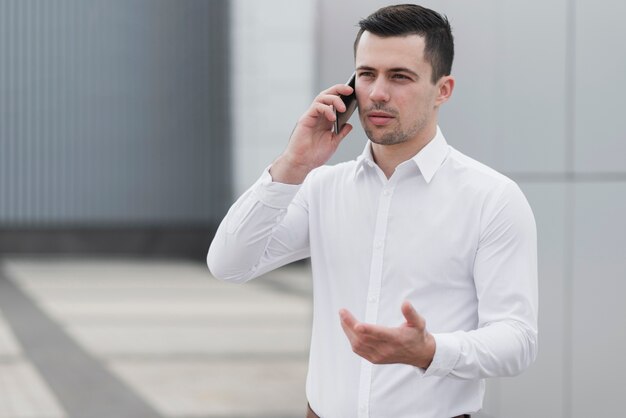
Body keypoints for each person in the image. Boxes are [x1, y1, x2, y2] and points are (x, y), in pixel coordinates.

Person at [207, 4, 538, 418]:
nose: (378, 93)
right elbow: (228, 263)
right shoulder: (321, 186)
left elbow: (517, 340)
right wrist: (292, 164)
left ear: (443, 90)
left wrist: (430, 350)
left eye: (399, 76)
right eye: (367, 75)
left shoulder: (491, 198)